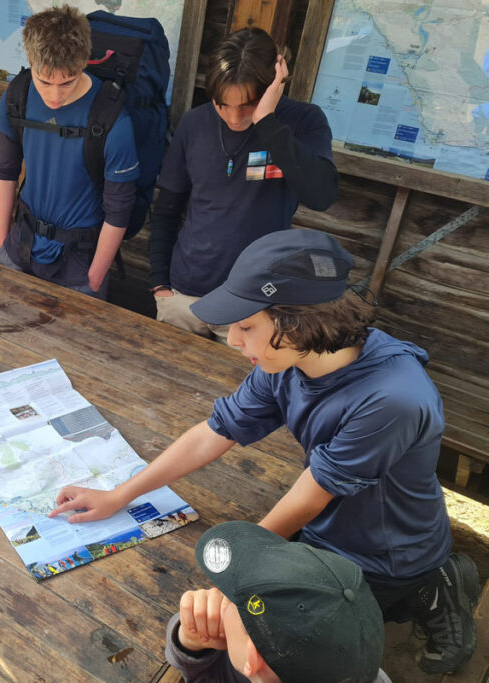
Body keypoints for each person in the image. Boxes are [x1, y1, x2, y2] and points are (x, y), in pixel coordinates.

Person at [52, 229, 479, 674]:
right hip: (321, 531)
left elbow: (310, 495)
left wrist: (235, 571)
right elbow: (215, 431)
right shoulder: (289, 358)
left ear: (299, 321)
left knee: (291, 650)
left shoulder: (393, 397)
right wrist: (121, 495)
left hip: (385, 552)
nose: (234, 340)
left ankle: (437, 586)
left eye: (246, 325)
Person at [148, 28, 337, 340]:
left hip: (253, 303)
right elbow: (167, 209)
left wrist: (267, 122)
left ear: (272, 87)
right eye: (222, 104)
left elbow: (321, 195)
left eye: (247, 105)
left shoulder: (303, 122)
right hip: (183, 296)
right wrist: (160, 286)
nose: (234, 118)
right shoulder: (194, 123)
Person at [0, 5, 140, 300]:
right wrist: (0, 244)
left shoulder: (111, 119)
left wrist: (96, 276)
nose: (54, 95)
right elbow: (4, 171)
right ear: (30, 62)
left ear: (85, 61)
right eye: (44, 81)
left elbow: (119, 207)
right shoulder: (18, 95)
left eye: (67, 82)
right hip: (20, 247)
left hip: (80, 266)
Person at [168, 520, 389, 682]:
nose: (220, 597)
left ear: (252, 660)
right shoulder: (360, 671)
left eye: (234, 597)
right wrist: (189, 642)